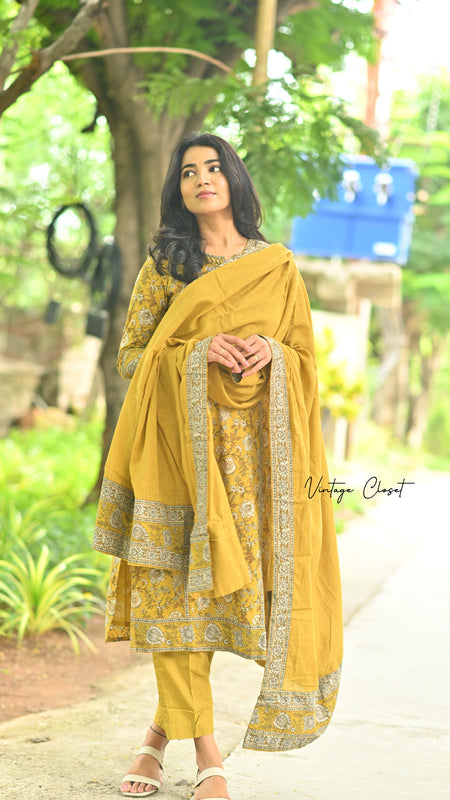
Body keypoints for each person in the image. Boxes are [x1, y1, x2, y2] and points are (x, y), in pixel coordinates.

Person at [92, 132, 343, 799]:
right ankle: (207, 755)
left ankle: (154, 740)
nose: (201, 178)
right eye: (188, 172)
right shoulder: (166, 265)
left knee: (208, 606)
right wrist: (196, 353)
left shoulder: (277, 267)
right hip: (176, 455)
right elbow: (132, 356)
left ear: (233, 178)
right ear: (178, 189)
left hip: (250, 468)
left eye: (213, 167)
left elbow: (305, 360)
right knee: (174, 598)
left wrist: (272, 353)